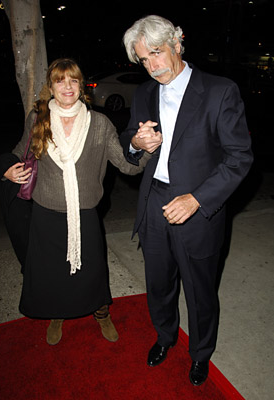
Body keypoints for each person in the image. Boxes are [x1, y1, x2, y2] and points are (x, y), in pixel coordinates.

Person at [120, 15, 253, 386]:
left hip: (197, 206)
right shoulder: (146, 92)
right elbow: (130, 136)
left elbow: (239, 157)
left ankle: (200, 354)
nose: (152, 66)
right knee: (159, 283)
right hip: (153, 201)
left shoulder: (219, 91)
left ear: (178, 43)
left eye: (157, 54)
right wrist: (135, 143)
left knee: (199, 290)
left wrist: (197, 199)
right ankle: (164, 337)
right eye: (144, 60)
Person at [0, 58, 150, 346]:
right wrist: (6, 166)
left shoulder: (100, 124)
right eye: (59, 80)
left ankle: (101, 312)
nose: (67, 86)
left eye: (74, 80)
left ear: (82, 86)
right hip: (46, 214)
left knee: (92, 271)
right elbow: (19, 151)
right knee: (53, 272)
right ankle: (58, 313)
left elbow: (127, 166)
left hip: (85, 213)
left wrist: (144, 149)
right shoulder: (38, 119)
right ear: (51, 87)